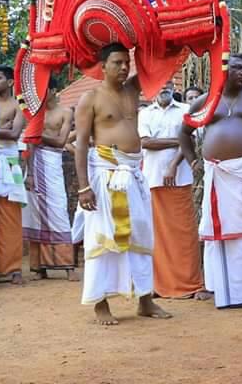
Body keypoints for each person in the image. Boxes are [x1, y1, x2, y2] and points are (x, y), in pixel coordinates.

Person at [179, 52, 242, 310]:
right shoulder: (206, 101)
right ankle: (223, 289)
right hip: (218, 176)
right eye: (237, 68)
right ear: (223, 70)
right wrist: (193, 160)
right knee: (221, 233)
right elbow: (183, 131)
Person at [75, 43, 169, 325]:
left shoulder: (133, 90)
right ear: (102, 67)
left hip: (134, 174)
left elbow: (161, 62)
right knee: (101, 238)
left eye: (127, 62)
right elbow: (80, 144)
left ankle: (145, 300)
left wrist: (150, 37)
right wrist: (83, 187)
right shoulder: (90, 98)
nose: (124, 67)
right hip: (105, 174)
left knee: (141, 235)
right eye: (117, 62)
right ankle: (100, 305)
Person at [138, 80, 204, 299]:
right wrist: (179, 140)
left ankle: (190, 284)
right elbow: (146, 143)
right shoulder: (145, 114)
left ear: (173, 87)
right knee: (157, 235)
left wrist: (174, 164)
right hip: (153, 179)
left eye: (167, 82)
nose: (163, 86)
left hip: (180, 178)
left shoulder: (186, 110)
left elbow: (191, 142)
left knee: (184, 233)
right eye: (159, 83)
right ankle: (160, 285)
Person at [21, 78, 77, 281]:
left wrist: (36, 134)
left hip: (53, 162)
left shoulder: (65, 112)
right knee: (34, 213)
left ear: (53, 90)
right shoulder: (35, 112)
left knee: (59, 210)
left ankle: (68, 265)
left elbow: (62, 140)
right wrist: (29, 172)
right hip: (35, 164)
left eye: (44, 89)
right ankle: (38, 268)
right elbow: (29, 144)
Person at [0, 65, 27, 285]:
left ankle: (13, 268)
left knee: (10, 216)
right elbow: (4, 132)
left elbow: (14, 134)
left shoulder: (19, 106)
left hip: (9, 165)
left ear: (10, 82)